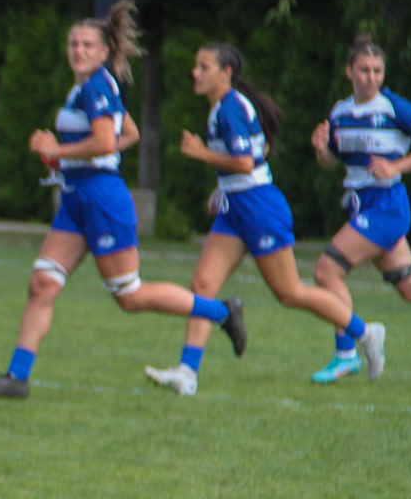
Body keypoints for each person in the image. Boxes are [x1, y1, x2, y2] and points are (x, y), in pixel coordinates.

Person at [0, 0, 245, 399]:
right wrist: (67, 157)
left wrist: (58, 149)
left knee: (130, 296)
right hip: (76, 198)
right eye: (74, 43)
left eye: (87, 45)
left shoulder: (97, 86)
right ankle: (17, 377)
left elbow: (104, 141)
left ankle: (221, 312)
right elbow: (127, 133)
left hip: (101, 198)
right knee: (42, 284)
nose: (78, 50)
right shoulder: (86, 87)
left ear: (104, 52)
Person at [142, 44, 377, 396]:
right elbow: (254, 155)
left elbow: (245, 163)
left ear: (225, 73)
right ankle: (187, 373)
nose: (195, 72)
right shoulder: (224, 106)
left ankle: (366, 333)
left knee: (290, 292)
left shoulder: (231, 108)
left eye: (204, 66)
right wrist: (223, 189)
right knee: (203, 284)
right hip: (236, 207)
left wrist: (201, 153)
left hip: (258, 208)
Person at [306, 34, 411, 382]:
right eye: (364, 70)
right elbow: (332, 163)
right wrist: (321, 150)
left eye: (377, 71)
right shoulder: (340, 112)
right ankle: (349, 353)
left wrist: (396, 166)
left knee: (327, 271)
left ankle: (347, 355)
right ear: (349, 71)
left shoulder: (394, 108)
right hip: (362, 207)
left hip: (387, 206)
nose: (371, 77)